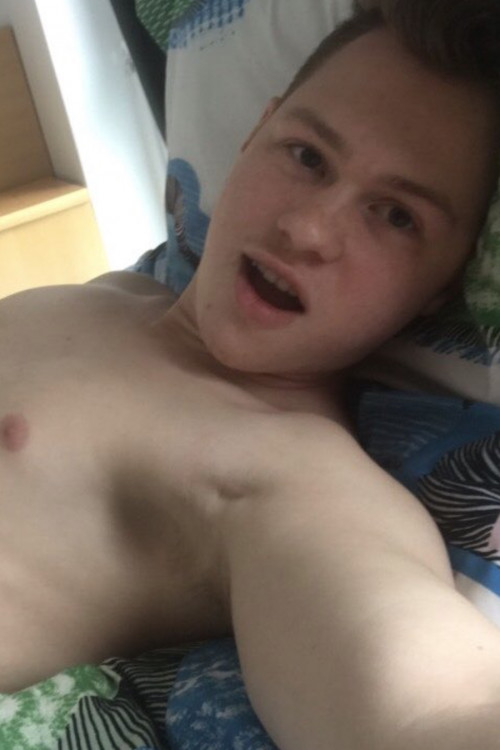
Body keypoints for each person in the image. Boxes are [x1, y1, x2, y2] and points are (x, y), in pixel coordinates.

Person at [2, 0, 500, 747]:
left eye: (396, 215)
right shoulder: (118, 294)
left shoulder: (288, 470)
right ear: (252, 134)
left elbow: (428, 710)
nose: (307, 228)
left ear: (441, 288)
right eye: (307, 156)